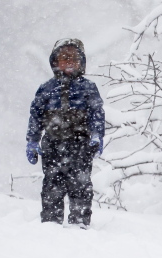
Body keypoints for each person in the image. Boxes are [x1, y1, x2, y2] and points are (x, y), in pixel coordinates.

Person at [26, 39, 105, 227]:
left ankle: (80, 223)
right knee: (52, 186)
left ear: (81, 63)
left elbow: (97, 113)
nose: (69, 62)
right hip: (53, 145)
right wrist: (32, 141)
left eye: (74, 58)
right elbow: (35, 117)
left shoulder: (88, 88)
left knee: (81, 185)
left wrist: (97, 135)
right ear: (54, 62)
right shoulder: (46, 89)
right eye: (64, 58)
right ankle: (51, 224)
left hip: (80, 146)